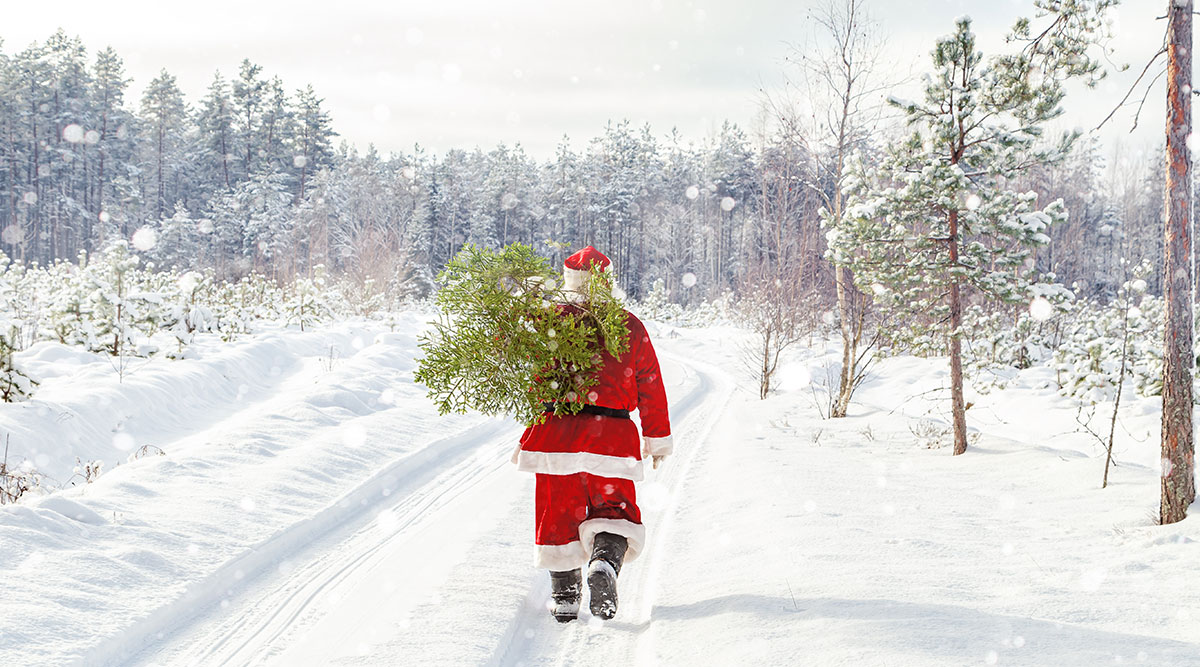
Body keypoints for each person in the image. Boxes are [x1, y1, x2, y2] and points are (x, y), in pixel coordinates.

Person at [511, 246, 673, 622]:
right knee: (615, 511)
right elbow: (650, 384)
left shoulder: (547, 320)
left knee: (556, 515)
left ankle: (565, 598)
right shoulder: (628, 325)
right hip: (611, 437)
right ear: (607, 283)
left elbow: (528, 373)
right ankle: (604, 562)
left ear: (569, 281)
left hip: (555, 434)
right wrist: (656, 436)